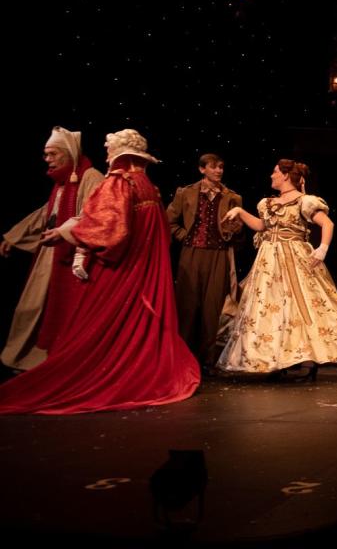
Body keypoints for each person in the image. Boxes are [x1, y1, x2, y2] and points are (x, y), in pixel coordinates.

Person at [0, 129, 199, 414]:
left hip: (123, 270)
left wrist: (71, 236)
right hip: (143, 271)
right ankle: (137, 370)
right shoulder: (148, 186)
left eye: (110, 150)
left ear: (119, 153)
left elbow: (107, 229)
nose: (106, 155)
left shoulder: (119, 183)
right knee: (136, 324)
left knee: (100, 326)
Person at [217, 159, 337, 377]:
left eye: (274, 172)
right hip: (269, 261)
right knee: (272, 308)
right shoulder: (268, 203)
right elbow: (262, 226)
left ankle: (308, 362)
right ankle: (276, 359)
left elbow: (327, 224)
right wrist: (240, 212)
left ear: (284, 175)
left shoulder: (305, 201)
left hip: (294, 257)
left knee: (302, 306)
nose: (271, 176)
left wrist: (322, 249)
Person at [1, 126, 103, 370]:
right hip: (49, 252)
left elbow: (95, 216)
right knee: (31, 307)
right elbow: (47, 214)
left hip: (73, 255)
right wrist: (15, 236)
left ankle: (49, 363)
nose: (47, 159)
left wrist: (65, 233)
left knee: (56, 312)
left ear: (68, 153)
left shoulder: (91, 178)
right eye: (46, 154)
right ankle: (27, 360)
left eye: (52, 154)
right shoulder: (62, 183)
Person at [165, 153, 243, 369]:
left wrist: (233, 229)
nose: (218, 171)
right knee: (188, 306)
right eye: (213, 167)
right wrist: (183, 236)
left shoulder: (232, 197)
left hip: (218, 255)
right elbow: (169, 220)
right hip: (191, 253)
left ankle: (207, 360)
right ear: (202, 169)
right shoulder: (186, 193)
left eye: (221, 167)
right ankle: (182, 358)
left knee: (212, 307)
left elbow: (238, 230)